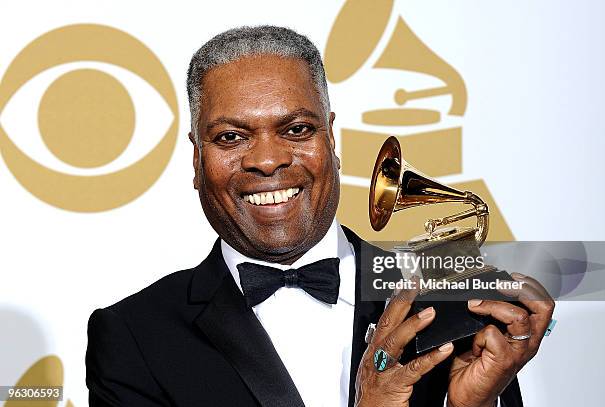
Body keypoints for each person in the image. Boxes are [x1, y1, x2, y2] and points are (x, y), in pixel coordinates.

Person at [86, 26, 555, 407]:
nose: (267, 160)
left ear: (331, 138)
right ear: (196, 158)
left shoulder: (446, 299)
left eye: (296, 129)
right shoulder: (133, 336)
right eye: (231, 137)